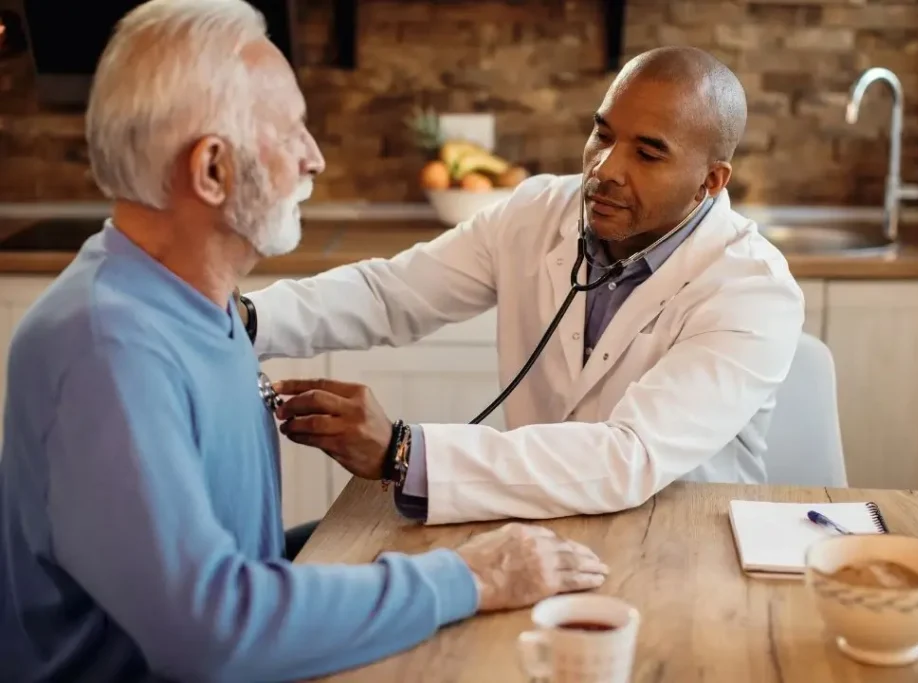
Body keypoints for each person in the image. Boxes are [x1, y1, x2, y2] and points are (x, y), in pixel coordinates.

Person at [0, 1, 608, 681]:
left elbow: (240, 568)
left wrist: (440, 548)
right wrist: (467, 575)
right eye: (292, 131)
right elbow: (213, 627)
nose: (314, 156)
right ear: (211, 170)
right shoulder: (106, 348)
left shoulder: (202, 311)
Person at [239, 45, 806, 529]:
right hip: (529, 521)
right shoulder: (538, 210)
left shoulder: (752, 289)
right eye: (602, 134)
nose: (606, 169)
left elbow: (627, 457)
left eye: (648, 153)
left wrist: (400, 450)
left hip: (676, 542)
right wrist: (244, 318)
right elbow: (393, 295)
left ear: (710, 181)